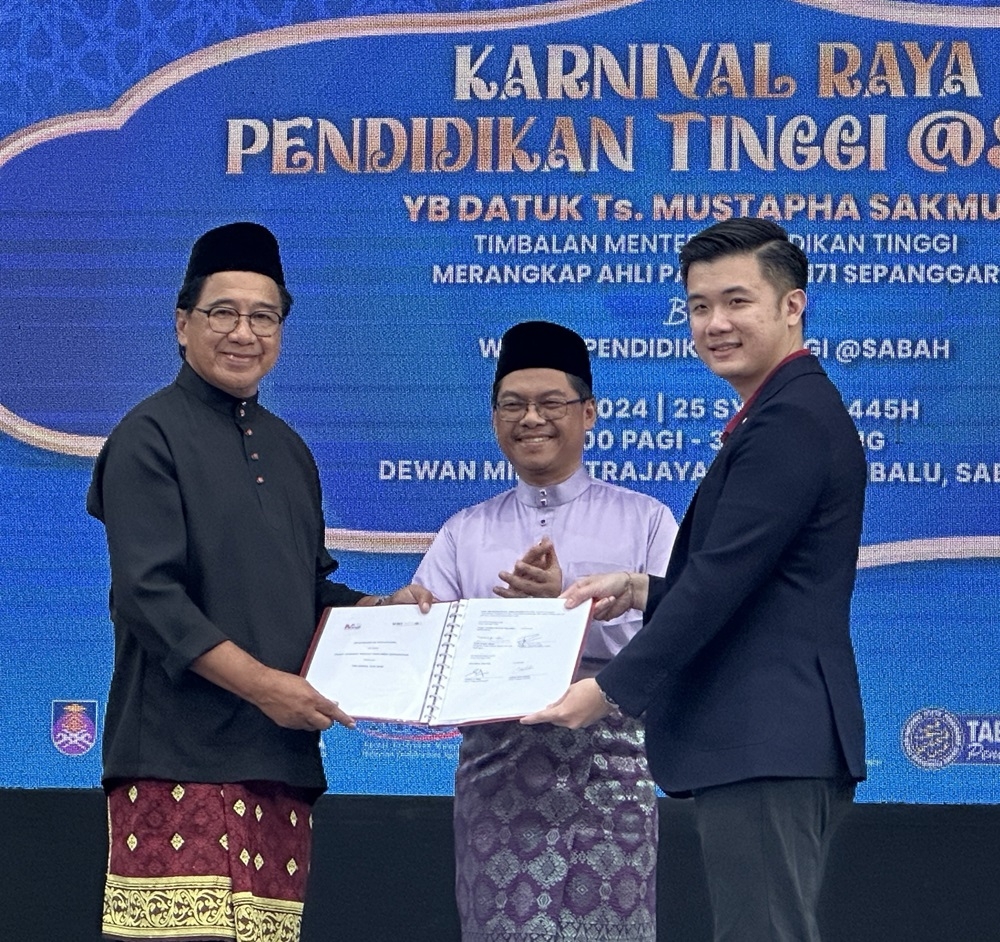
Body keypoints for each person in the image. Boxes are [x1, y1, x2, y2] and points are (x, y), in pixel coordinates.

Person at [524, 219, 867, 942]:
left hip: (768, 736)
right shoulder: (781, 411)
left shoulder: (791, 421)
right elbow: (757, 577)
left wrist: (607, 689)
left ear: (791, 306)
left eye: (737, 302)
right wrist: (646, 588)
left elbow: (721, 582)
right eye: (699, 306)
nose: (715, 324)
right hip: (766, 738)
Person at [87, 221, 431, 942]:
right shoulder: (147, 437)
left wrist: (384, 610)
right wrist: (266, 687)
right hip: (176, 760)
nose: (244, 332)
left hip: (278, 767)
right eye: (223, 313)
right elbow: (150, 600)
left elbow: (305, 595)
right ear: (183, 326)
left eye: (263, 316)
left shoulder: (290, 450)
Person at [413, 320, 678, 942]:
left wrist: (562, 614)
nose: (531, 418)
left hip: (610, 776)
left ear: (588, 413)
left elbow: (675, 641)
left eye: (551, 403)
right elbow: (431, 654)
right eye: (513, 404)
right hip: (497, 783)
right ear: (494, 417)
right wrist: (408, 613)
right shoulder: (463, 532)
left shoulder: (645, 520)